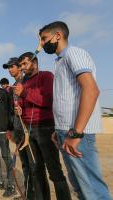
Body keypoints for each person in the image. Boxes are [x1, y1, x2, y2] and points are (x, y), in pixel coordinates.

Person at [39, 21, 111, 200]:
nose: (41, 44)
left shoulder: (74, 53)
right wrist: (59, 129)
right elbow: (66, 98)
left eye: (44, 39)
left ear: (58, 35)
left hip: (78, 134)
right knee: (79, 187)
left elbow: (91, 90)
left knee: (92, 190)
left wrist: (77, 133)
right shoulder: (60, 61)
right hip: (66, 131)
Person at [14, 52, 71, 200]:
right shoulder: (23, 82)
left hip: (45, 128)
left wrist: (24, 93)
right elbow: (23, 103)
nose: (22, 68)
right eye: (20, 66)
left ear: (34, 62)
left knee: (54, 171)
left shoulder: (47, 76)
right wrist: (19, 108)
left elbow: (48, 100)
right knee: (36, 170)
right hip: (28, 130)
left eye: (25, 64)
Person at [3, 57, 40, 200]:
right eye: (8, 67)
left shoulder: (27, 82)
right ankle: (28, 195)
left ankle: (36, 195)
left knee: (33, 165)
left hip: (29, 130)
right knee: (25, 164)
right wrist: (10, 129)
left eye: (12, 66)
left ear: (20, 67)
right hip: (18, 131)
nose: (10, 69)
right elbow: (12, 110)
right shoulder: (14, 85)